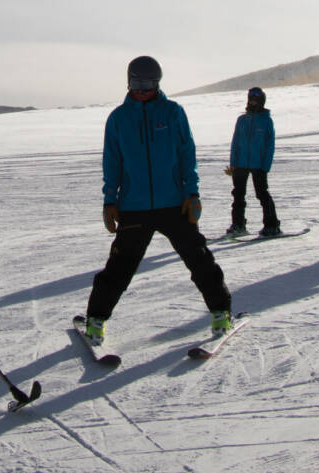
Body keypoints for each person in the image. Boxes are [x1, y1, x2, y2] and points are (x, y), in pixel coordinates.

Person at [84, 55, 233, 343]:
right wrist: (109, 200)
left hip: (174, 204)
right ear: (128, 82)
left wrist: (192, 193)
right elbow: (111, 162)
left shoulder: (173, 112)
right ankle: (96, 320)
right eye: (138, 82)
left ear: (158, 82)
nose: (143, 89)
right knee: (119, 268)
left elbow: (186, 153)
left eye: (149, 83)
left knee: (199, 259)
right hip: (134, 207)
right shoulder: (118, 118)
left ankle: (220, 312)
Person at [225, 87, 280, 236]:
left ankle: (272, 225)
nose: (252, 101)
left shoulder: (266, 121)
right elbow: (235, 143)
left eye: (256, 98)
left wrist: (265, 166)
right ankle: (238, 225)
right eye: (250, 98)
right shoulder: (242, 120)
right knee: (238, 195)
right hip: (240, 164)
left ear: (261, 100)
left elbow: (270, 146)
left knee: (262, 193)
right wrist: (233, 164)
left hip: (259, 165)